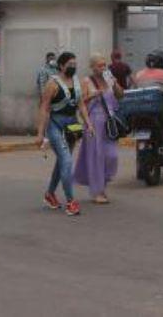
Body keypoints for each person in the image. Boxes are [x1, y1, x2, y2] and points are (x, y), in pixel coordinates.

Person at [35, 52, 94, 217]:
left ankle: (50, 194)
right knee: (67, 161)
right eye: (70, 63)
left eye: (75, 63)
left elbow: (81, 104)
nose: (73, 66)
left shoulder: (78, 82)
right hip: (55, 126)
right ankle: (70, 201)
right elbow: (44, 108)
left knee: (62, 161)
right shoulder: (52, 84)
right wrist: (40, 133)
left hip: (72, 126)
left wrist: (88, 124)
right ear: (61, 66)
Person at [74, 54, 121, 204]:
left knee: (111, 156)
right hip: (93, 121)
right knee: (96, 156)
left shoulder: (109, 79)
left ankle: (102, 185)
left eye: (104, 65)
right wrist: (92, 95)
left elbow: (120, 96)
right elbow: (79, 102)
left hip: (109, 122)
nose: (103, 68)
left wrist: (115, 84)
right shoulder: (86, 81)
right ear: (92, 67)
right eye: (100, 65)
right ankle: (98, 191)